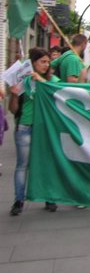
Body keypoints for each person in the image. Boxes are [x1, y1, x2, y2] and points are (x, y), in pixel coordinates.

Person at [8, 47, 60, 215]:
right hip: (25, 126)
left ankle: (49, 197)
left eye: (48, 62)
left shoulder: (53, 80)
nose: (46, 65)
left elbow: (57, 96)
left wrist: (41, 81)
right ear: (32, 63)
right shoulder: (23, 82)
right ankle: (18, 200)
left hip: (45, 128)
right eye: (42, 62)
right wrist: (15, 96)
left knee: (46, 163)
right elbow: (13, 110)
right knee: (23, 165)